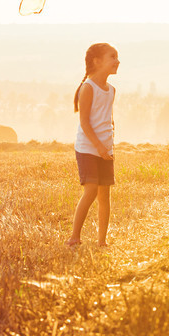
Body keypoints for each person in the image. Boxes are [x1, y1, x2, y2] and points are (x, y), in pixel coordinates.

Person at [67, 43, 120, 247]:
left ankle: (102, 241)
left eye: (117, 57)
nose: (117, 61)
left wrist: (109, 144)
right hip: (88, 149)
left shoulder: (112, 90)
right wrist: (98, 147)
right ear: (97, 61)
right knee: (90, 191)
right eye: (112, 57)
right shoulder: (88, 88)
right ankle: (74, 238)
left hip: (105, 150)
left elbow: (108, 119)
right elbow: (85, 123)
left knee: (104, 195)